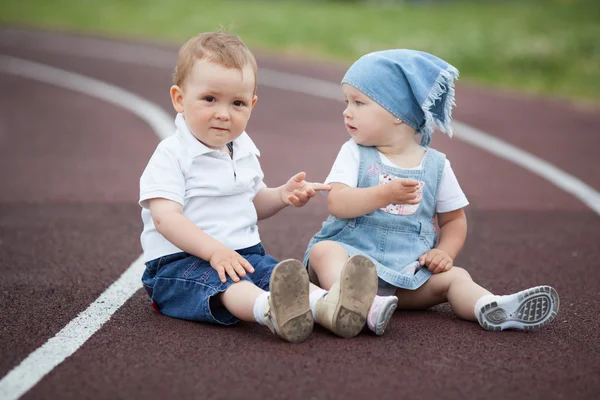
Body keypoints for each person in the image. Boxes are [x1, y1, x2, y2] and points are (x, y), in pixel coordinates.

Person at [304, 49, 560, 334]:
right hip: (352, 260)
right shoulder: (354, 153)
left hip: (407, 276)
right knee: (323, 251)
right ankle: (363, 304)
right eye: (346, 101)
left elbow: (453, 220)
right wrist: (383, 194)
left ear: (397, 114)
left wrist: (445, 252)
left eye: (359, 102)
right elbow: (337, 202)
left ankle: (491, 306)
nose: (346, 111)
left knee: (456, 277)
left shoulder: (436, 165)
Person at [139, 31, 333, 343]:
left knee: (280, 274)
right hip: (179, 264)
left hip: (241, 255)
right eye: (209, 99)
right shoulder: (172, 154)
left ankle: (331, 307)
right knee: (229, 286)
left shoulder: (242, 149)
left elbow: (251, 203)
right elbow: (166, 218)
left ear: (252, 105)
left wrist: (281, 195)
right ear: (179, 99)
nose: (223, 114)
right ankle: (270, 310)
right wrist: (214, 251)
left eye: (238, 103)